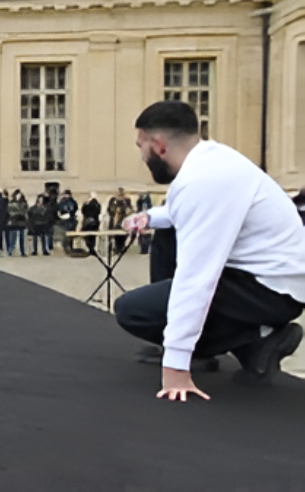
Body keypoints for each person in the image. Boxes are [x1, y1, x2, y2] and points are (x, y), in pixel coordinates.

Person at [116, 101, 305, 401]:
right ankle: (251, 346)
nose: (142, 157)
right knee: (167, 236)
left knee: (132, 311)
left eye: (142, 147)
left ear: (159, 145)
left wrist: (176, 366)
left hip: (271, 291)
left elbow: (197, 277)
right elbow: (181, 213)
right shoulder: (209, 161)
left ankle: (259, 337)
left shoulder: (204, 179)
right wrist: (150, 217)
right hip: (264, 278)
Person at [5, 189, 28, 257]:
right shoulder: (11, 203)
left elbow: (23, 212)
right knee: (12, 237)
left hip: (21, 222)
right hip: (13, 222)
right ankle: (10, 250)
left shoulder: (23, 203)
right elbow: (10, 212)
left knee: (22, 237)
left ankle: (22, 251)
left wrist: (17, 212)